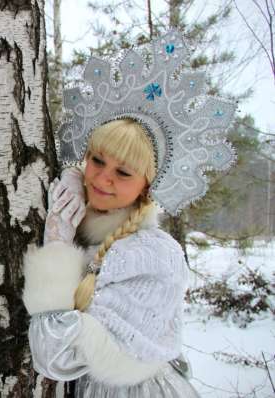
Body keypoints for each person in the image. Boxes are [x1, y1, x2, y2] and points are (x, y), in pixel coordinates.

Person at [22, 30, 236, 397]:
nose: (102, 179)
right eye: (96, 161)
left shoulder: (152, 255)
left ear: (147, 187)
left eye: (123, 173)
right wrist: (71, 176)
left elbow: (53, 353)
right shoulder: (91, 229)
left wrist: (57, 243)